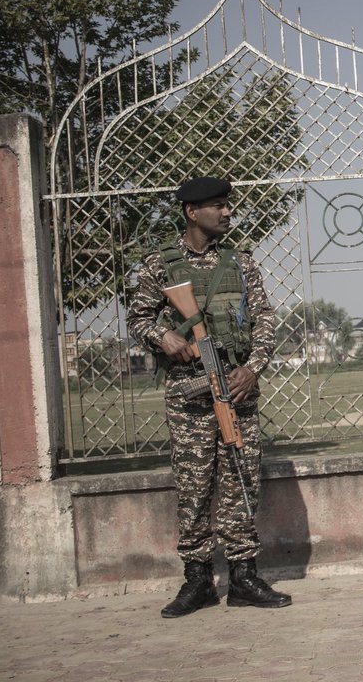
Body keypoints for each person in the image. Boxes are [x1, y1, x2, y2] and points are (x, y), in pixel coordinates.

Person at [127, 176, 292, 617]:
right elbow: (138, 318)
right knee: (194, 487)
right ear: (191, 212)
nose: (227, 213)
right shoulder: (159, 264)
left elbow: (265, 321)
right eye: (218, 206)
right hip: (188, 396)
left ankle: (243, 577)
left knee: (241, 483)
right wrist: (163, 337)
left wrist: (252, 370)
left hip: (237, 393)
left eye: (227, 205)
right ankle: (197, 580)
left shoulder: (241, 264)